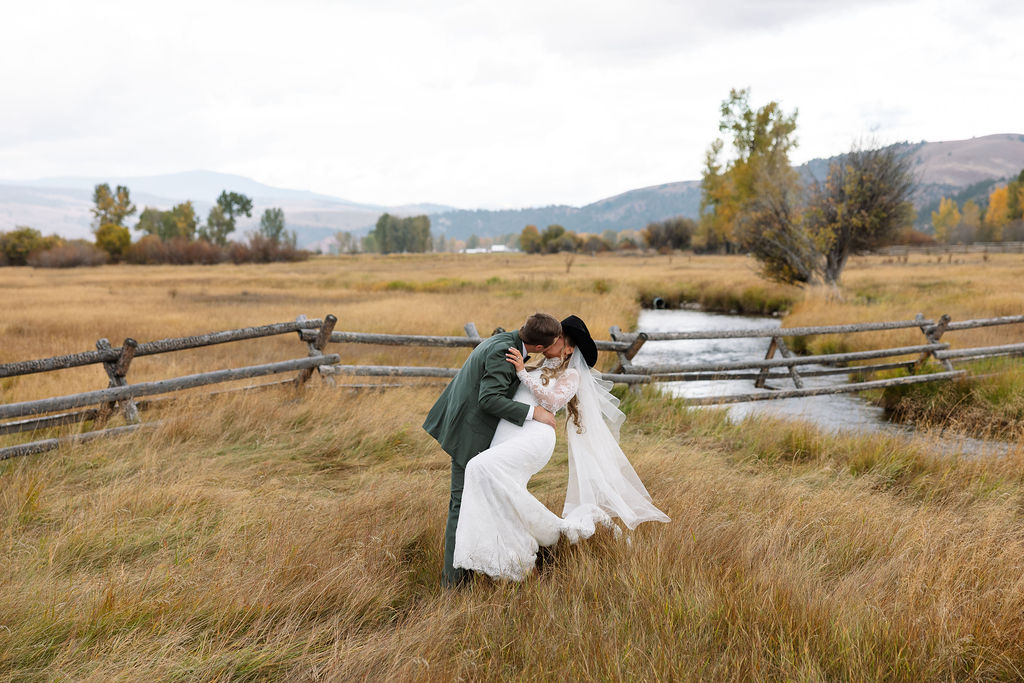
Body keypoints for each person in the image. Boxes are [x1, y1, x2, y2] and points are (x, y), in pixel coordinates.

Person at [453, 315, 670, 582]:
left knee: (479, 467)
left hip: (534, 437)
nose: (552, 340)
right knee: (499, 490)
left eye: (559, 338)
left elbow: (553, 402)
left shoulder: (571, 375)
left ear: (569, 348)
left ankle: (550, 533)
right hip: (508, 435)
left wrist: (522, 373)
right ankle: (511, 561)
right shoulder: (532, 365)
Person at [423, 312, 565, 588]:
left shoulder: (508, 340)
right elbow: (489, 399)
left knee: (474, 502)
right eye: (552, 343)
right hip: (468, 433)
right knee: (461, 505)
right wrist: (533, 412)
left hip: (466, 426)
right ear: (538, 347)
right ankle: (453, 585)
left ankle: (474, 571)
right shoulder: (505, 351)